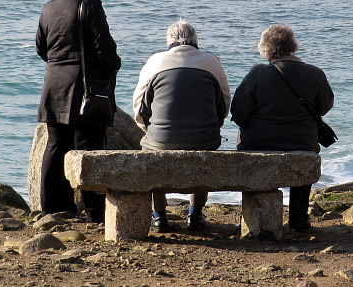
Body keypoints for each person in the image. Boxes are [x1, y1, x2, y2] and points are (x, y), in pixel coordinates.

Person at [36, 0, 121, 223]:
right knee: (88, 148)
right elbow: (104, 49)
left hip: (53, 86)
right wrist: (114, 64)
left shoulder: (49, 8)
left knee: (55, 146)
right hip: (85, 89)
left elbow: (42, 48)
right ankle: (94, 210)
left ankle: (53, 208)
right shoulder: (90, 6)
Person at [231, 24, 333, 231]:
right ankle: (299, 219)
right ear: (292, 46)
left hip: (260, 142)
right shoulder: (315, 73)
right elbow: (324, 106)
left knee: (246, 149)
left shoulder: (258, 73)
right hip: (303, 143)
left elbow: (239, 112)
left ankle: (253, 217)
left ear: (266, 49)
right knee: (304, 156)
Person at [132, 20, 230, 233]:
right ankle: (195, 214)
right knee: (203, 150)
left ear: (169, 41)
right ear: (195, 40)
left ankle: (159, 216)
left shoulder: (155, 61)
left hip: (161, 140)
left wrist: (148, 129)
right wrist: (213, 125)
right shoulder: (212, 62)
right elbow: (224, 104)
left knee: (149, 149)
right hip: (206, 138)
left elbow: (139, 107)